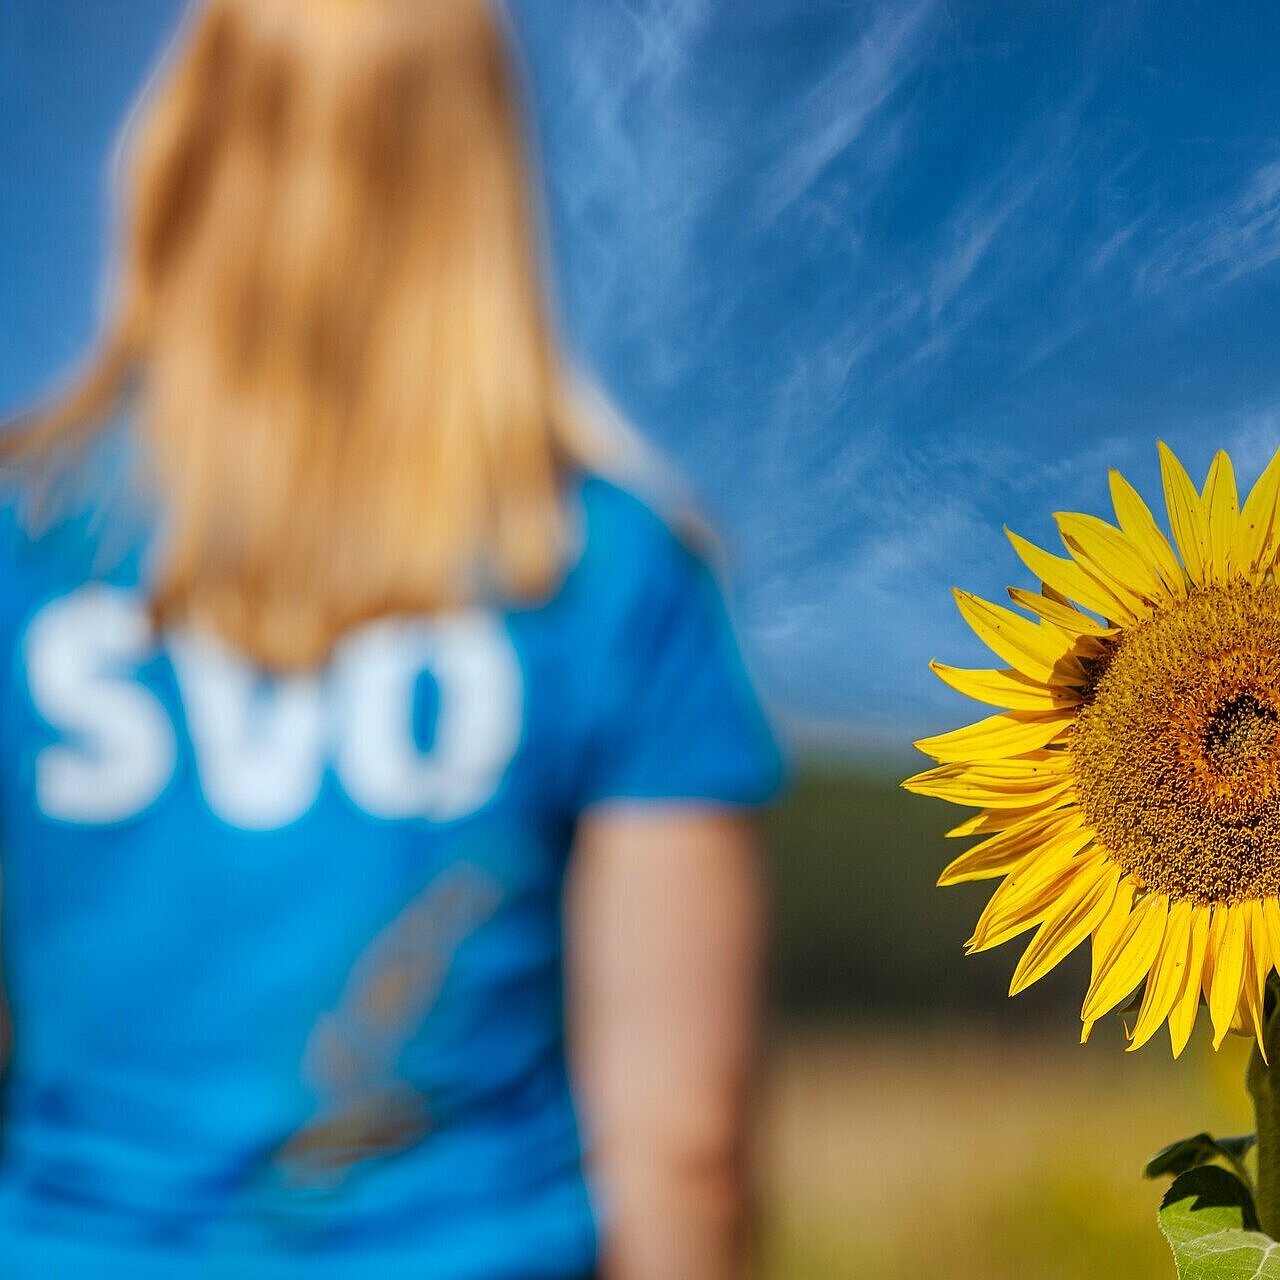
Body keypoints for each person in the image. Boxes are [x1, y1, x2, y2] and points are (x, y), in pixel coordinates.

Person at [0, 1, 783, 1277]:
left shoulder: (25, 547)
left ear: (185, 147)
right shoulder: (612, 561)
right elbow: (682, 1143)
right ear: (478, 178)